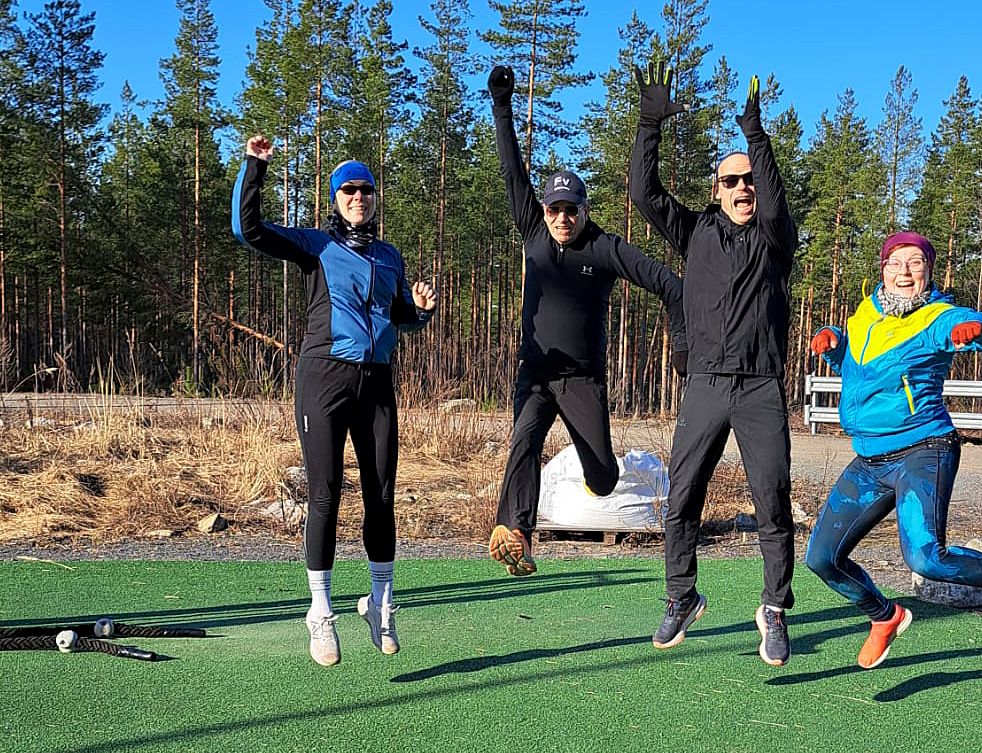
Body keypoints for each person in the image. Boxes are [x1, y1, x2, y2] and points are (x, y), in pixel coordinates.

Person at [803, 231, 982, 669]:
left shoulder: (939, 316)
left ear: (929, 270)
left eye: (915, 263)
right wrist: (834, 344)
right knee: (821, 559)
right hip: (870, 457)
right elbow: (863, 369)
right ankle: (884, 617)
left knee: (927, 558)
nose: (904, 272)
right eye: (895, 263)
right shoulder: (865, 314)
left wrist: (979, 330)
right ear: (882, 269)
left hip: (923, 448)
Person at [232, 137, 436, 666]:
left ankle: (381, 605)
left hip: (377, 384)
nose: (358, 196)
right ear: (334, 197)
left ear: (375, 198)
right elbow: (246, 229)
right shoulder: (316, 246)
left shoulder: (390, 256)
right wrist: (256, 166)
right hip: (323, 378)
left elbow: (397, 317)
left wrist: (418, 311)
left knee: (383, 495)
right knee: (325, 493)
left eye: (366, 190)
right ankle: (320, 613)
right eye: (348, 189)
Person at [485, 64, 687, 576]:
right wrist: (502, 108)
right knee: (524, 442)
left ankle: (596, 473)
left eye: (569, 210)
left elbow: (669, 283)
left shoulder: (605, 247)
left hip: (583, 379)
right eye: (553, 209)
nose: (560, 218)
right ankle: (518, 534)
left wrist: (682, 342)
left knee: (602, 475)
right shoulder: (533, 230)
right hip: (536, 370)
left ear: (583, 209)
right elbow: (514, 173)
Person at [628, 61, 798, 667]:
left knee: (773, 499)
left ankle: (774, 610)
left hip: (759, 387)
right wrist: (650, 124)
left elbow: (777, 204)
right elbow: (643, 195)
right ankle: (681, 596)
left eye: (750, 181)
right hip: (705, 384)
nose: (744, 189)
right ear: (715, 190)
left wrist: (757, 135)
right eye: (732, 182)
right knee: (681, 496)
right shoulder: (695, 231)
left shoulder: (774, 241)